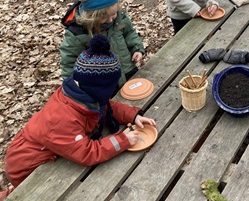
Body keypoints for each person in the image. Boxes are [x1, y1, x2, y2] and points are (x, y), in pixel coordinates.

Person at [2, 35, 156, 197]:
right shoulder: (63, 119)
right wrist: (122, 140)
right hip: (27, 167)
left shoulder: (83, 94)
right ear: (99, 89)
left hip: (52, 151)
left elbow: (106, 106)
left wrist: (132, 116)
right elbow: (87, 153)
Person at [60, 0, 145, 89]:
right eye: (104, 17)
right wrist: (73, 86)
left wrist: (137, 48)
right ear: (91, 16)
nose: (110, 19)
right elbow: (69, 62)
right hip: (103, 82)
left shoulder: (119, 16)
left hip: (127, 69)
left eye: (113, 14)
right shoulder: (77, 33)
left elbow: (129, 33)